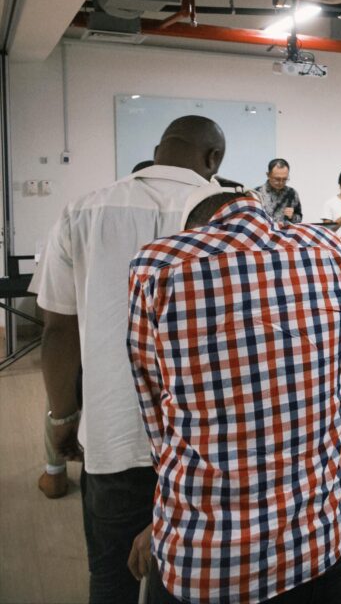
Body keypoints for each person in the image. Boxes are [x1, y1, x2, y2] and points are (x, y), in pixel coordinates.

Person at [126, 189, 341, 603]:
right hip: (319, 543)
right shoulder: (329, 249)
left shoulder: (158, 264)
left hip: (207, 559)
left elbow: (155, 411)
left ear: (196, 229)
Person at [32, 115, 224, 602]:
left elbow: (57, 331)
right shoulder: (228, 219)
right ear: (213, 158)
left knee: (112, 577)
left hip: (112, 434)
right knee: (194, 580)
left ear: (158, 151)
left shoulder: (83, 210)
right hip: (203, 444)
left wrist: (62, 418)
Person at [256, 157, 302, 222]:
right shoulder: (257, 193)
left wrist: (292, 216)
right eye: (277, 179)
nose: (281, 182)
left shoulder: (292, 193)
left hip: (285, 228)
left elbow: (299, 218)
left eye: (284, 179)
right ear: (268, 175)